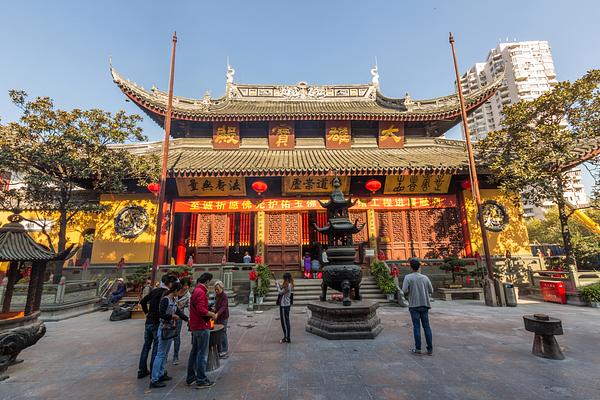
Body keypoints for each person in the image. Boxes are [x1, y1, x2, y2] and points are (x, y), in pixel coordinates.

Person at [149, 282, 189, 388]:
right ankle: (154, 378)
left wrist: (187, 319)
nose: (180, 293)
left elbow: (178, 312)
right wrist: (171, 316)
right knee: (160, 354)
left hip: (170, 329)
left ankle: (161, 373)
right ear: (175, 290)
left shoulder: (173, 300)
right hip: (163, 328)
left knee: (165, 353)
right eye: (179, 291)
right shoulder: (165, 300)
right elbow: (161, 314)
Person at [137, 274, 177, 379]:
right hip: (156, 323)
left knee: (146, 346)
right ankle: (154, 372)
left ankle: (142, 370)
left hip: (148, 322)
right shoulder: (165, 294)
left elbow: (143, 301)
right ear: (170, 284)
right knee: (157, 348)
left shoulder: (154, 291)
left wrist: (146, 313)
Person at [186, 273, 217, 389]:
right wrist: (211, 314)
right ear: (207, 281)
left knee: (194, 352)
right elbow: (200, 310)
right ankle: (201, 379)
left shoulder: (196, 291)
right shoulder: (200, 292)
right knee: (202, 354)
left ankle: (191, 377)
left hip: (195, 326)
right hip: (201, 325)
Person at [401, 258, 434, 356]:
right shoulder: (425, 277)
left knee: (416, 327)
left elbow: (404, 290)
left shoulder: (408, 277)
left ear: (411, 267)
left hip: (414, 305)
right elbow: (431, 290)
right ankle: (430, 349)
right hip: (425, 304)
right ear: (419, 267)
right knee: (427, 326)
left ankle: (418, 348)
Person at [172, 277, 191, 365]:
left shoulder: (188, 295)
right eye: (185, 285)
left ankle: (175, 356)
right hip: (169, 315)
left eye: (188, 285)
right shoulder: (175, 290)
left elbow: (190, 307)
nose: (186, 287)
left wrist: (190, 319)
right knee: (166, 336)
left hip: (179, 317)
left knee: (176, 335)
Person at [274, 272, 293, 343]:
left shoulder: (288, 286)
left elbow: (280, 292)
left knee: (285, 322)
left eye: (284, 279)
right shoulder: (289, 284)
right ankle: (287, 337)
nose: (284, 280)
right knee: (285, 321)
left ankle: (287, 337)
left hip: (284, 305)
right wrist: (278, 284)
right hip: (285, 305)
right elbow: (282, 289)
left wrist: (277, 286)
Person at [213, 280, 229, 358]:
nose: (216, 291)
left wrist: (217, 313)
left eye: (218, 289)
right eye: (215, 289)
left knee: (223, 332)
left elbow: (223, 307)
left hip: (223, 316)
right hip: (217, 316)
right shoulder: (217, 296)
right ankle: (220, 349)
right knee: (218, 333)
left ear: (222, 288)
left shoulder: (224, 296)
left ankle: (224, 349)